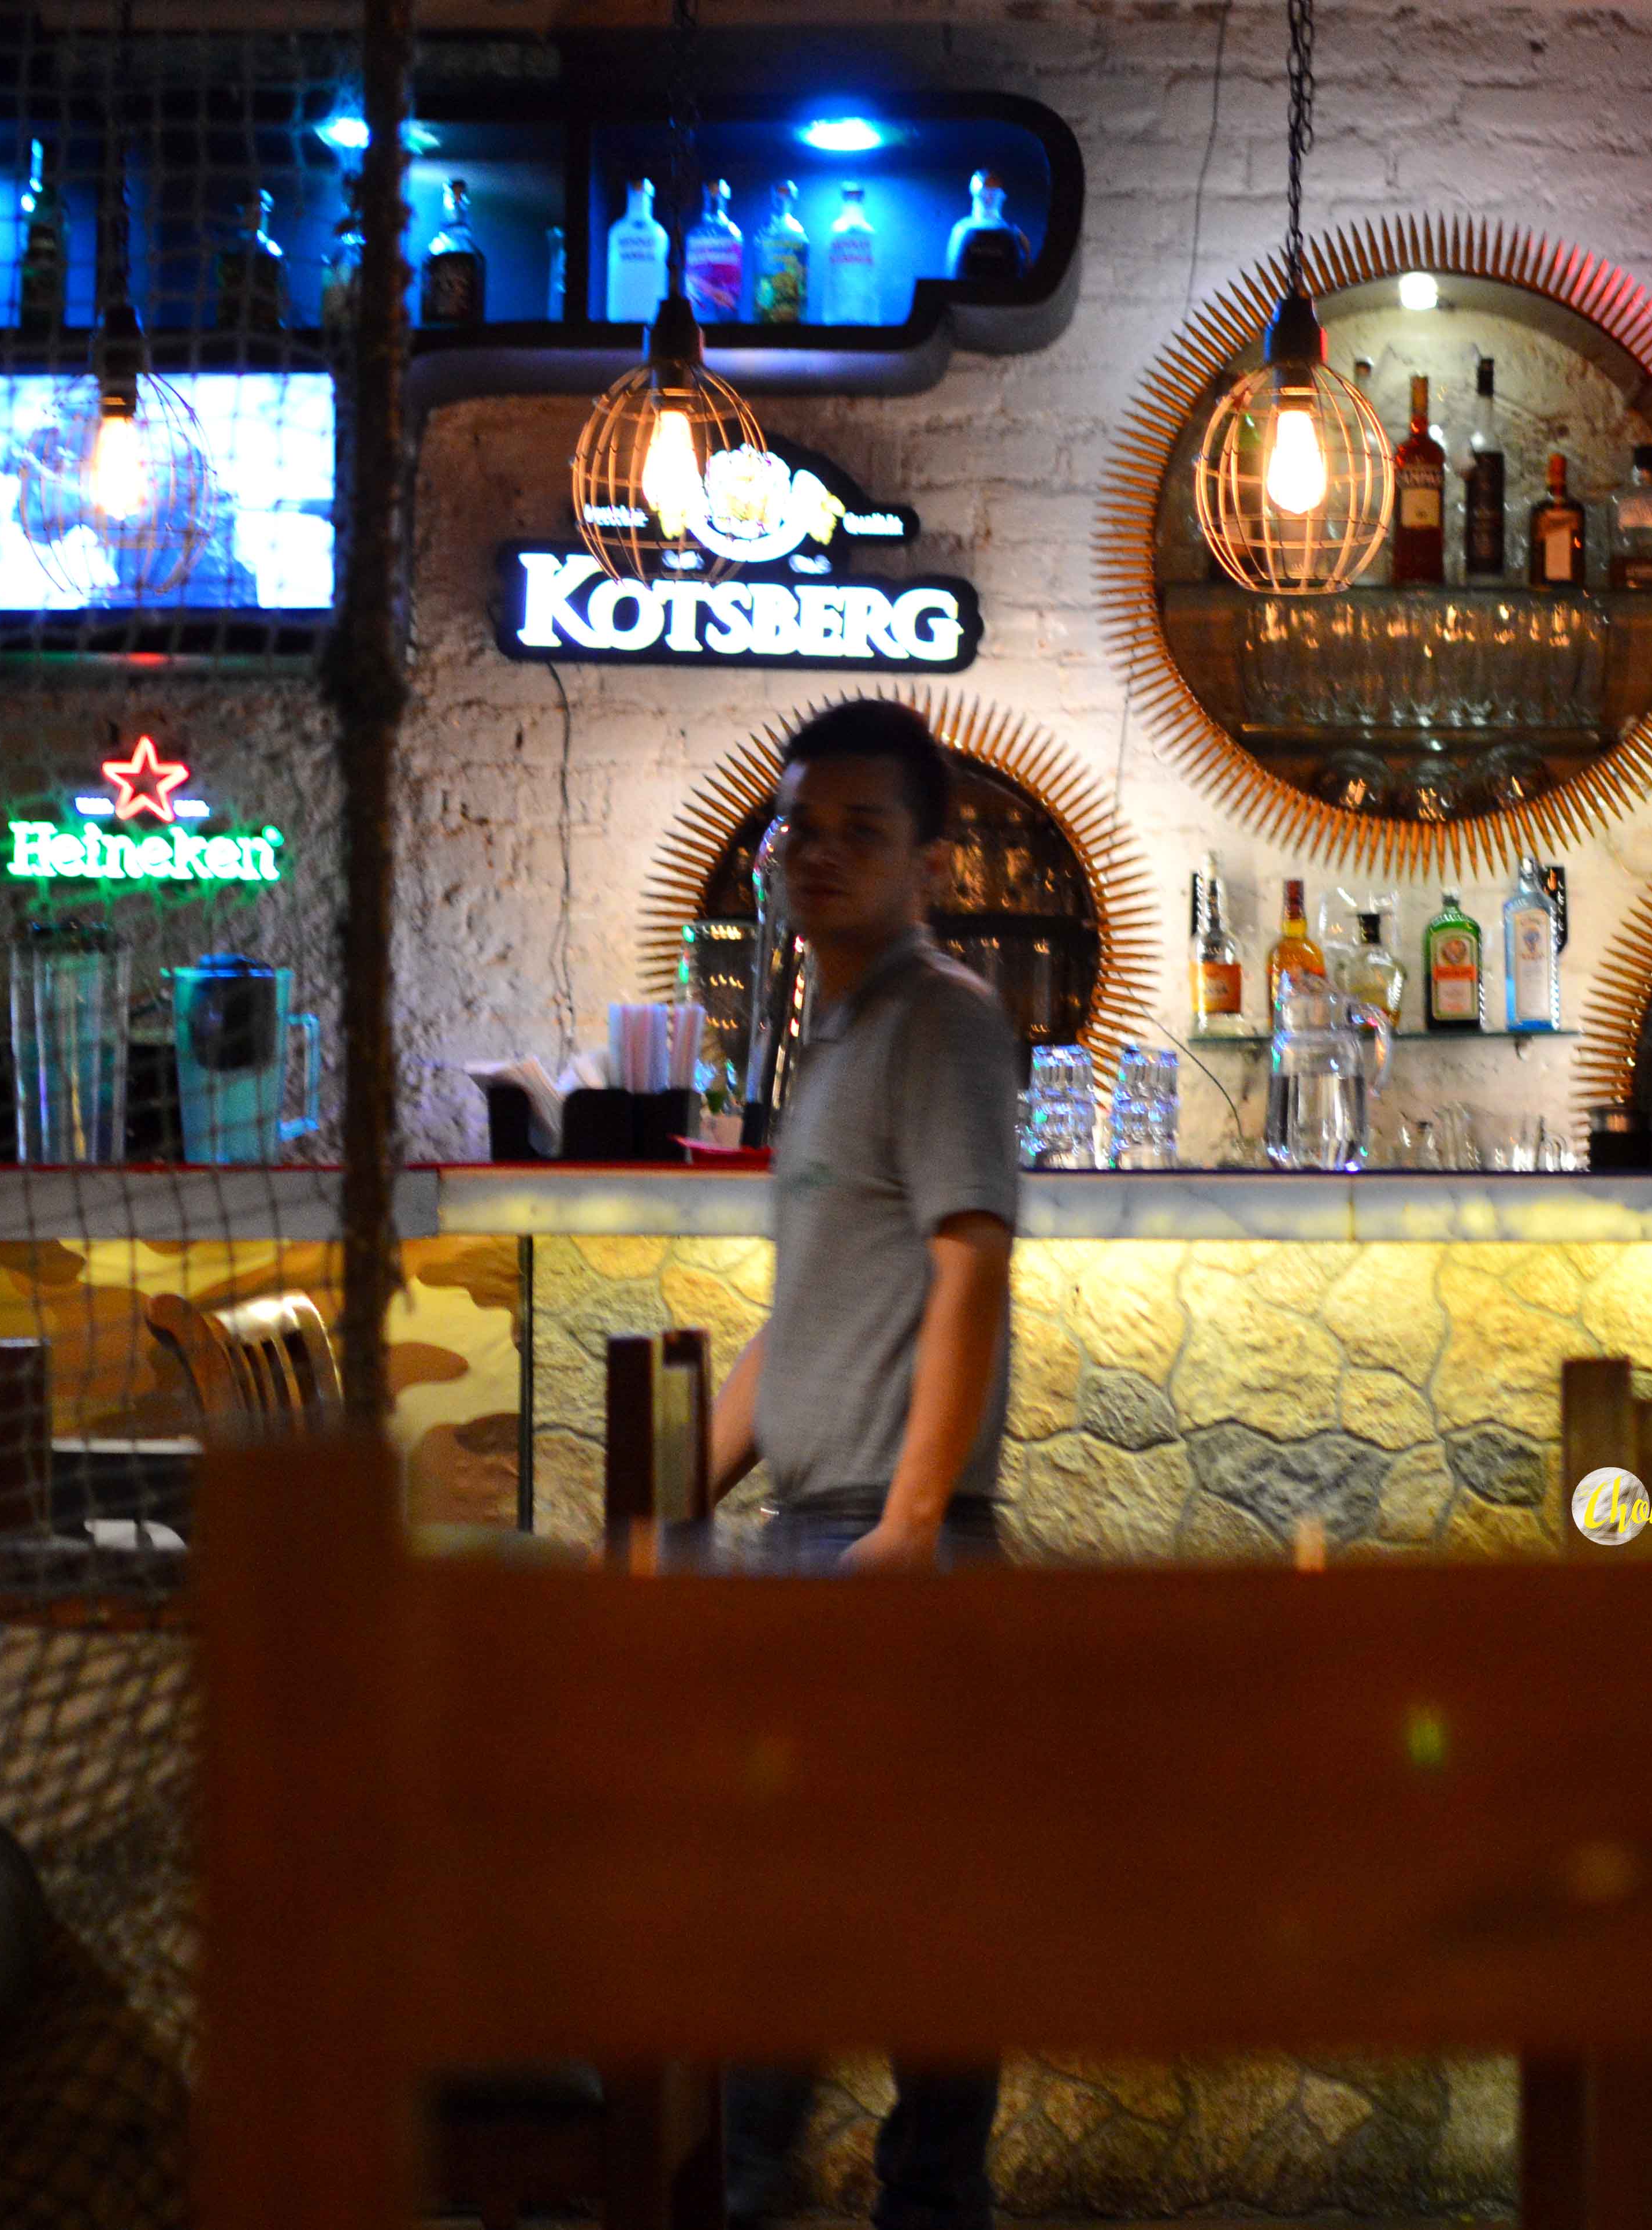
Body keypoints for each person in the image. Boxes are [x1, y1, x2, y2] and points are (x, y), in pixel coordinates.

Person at [704, 697, 1018, 2230]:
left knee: (899, 1923)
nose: (817, 853)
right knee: (793, 1912)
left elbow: (970, 1267)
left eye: (862, 830)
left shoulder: (938, 1019)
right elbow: (806, 1314)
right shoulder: (826, 1033)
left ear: (931, 864)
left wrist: (909, 1524)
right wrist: (666, 1495)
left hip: (891, 1540)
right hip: (813, 1528)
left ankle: (902, 2204)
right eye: (798, 826)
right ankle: (760, 2185)